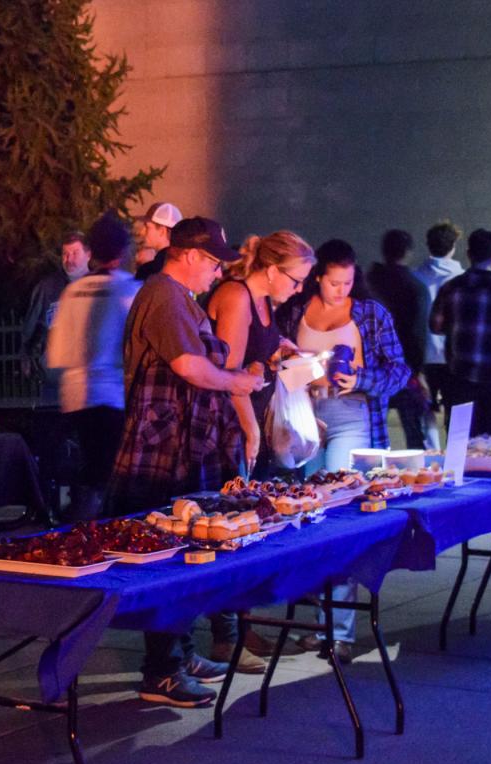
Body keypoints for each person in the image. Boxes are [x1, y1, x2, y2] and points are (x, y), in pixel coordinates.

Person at [107, 216, 264, 708]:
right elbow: (188, 367)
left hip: (183, 445)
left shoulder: (182, 299)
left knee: (186, 550)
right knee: (168, 555)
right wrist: (236, 382)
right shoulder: (163, 295)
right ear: (191, 255)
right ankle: (162, 672)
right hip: (161, 449)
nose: (217, 274)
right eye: (215, 263)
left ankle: (183, 652)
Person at [276, 239, 411, 663]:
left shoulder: (371, 314)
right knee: (307, 515)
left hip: (353, 416)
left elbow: (400, 370)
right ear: (318, 277)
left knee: (338, 511)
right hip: (306, 417)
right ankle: (318, 622)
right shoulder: (296, 310)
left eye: (348, 282)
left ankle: (341, 632)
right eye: (334, 282)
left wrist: (362, 379)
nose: (341, 290)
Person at [204, 230, 315, 672]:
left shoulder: (264, 302)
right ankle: (225, 639)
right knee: (229, 529)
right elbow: (229, 376)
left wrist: (282, 356)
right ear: (271, 270)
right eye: (295, 278)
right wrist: (250, 432)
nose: (299, 288)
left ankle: (240, 629)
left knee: (248, 529)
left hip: (251, 424)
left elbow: (255, 357)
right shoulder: (235, 297)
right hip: (225, 429)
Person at [46, 213, 139, 521]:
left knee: (89, 465)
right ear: (124, 251)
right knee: (106, 471)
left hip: (75, 393)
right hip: (113, 394)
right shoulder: (128, 291)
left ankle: (80, 522)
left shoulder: (73, 291)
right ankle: (86, 529)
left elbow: (57, 351)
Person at [429, 228, 491, 436]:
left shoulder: (450, 288)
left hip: (459, 376)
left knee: (459, 441)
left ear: (468, 254)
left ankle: (459, 470)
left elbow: (435, 326)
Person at [368, 229, 436, 449]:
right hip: (404, 368)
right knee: (415, 432)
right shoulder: (416, 287)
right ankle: (419, 475)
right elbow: (417, 334)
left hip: (373, 367)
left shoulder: (369, 283)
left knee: (372, 432)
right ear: (408, 252)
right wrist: (418, 371)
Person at [22, 232, 92, 402]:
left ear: (88, 255)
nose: (69, 259)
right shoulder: (47, 288)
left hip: (88, 384)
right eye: (65, 254)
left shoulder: (98, 287)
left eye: (75, 253)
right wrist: (30, 362)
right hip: (53, 383)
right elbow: (31, 328)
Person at [415, 221, 464, 418]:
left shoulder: (416, 277)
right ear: (453, 247)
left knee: (425, 418)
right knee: (457, 414)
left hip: (423, 355)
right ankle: (458, 450)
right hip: (454, 355)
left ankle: (430, 449)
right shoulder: (463, 278)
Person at [132, 201, 182, 282]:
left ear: (162, 231)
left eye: (147, 227)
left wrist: (142, 267)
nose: (142, 232)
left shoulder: (151, 270)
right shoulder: (184, 265)